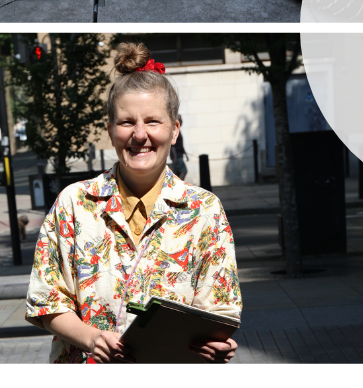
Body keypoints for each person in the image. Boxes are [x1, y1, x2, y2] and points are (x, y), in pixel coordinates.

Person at [25, 43, 241, 363]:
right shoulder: (74, 204)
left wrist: (217, 345)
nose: (140, 134)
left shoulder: (205, 210)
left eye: (153, 121)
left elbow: (220, 310)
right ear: (111, 131)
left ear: (174, 129)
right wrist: (92, 338)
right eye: (127, 122)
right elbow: (47, 301)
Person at [170, 116, 189, 180]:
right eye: (180, 119)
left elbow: (180, 145)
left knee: (175, 173)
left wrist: (186, 154)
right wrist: (175, 157)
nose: (181, 121)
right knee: (184, 171)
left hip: (178, 155)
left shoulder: (177, 131)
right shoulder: (175, 132)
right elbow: (173, 146)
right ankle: (179, 185)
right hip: (178, 156)